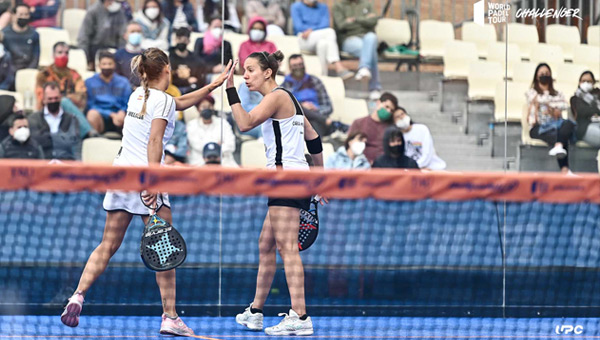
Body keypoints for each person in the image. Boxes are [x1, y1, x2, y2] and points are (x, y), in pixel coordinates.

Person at [59, 48, 233, 335]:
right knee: (163, 249)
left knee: (107, 245)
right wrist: (152, 182)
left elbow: (177, 103)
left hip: (121, 175)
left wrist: (212, 86)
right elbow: (155, 141)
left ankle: (77, 295)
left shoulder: (138, 95)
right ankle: (170, 317)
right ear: (166, 68)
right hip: (146, 179)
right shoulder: (161, 100)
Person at [226, 51, 325, 336]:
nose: (246, 75)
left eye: (251, 70)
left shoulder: (278, 97)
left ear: (267, 73)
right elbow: (314, 138)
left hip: (286, 179)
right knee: (266, 245)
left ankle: (301, 316)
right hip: (292, 179)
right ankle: (256, 312)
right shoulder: (289, 99)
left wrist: (230, 89)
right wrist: (320, 179)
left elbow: (244, 123)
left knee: (287, 249)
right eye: (243, 71)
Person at [281, 54, 348, 137]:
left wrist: (316, 109)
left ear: (304, 65)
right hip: (296, 121)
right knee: (297, 106)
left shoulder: (314, 81)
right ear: (290, 68)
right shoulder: (285, 86)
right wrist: (303, 107)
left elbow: (328, 107)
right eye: (295, 65)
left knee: (313, 124)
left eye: (300, 64)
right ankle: (329, 122)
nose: (298, 68)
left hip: (316, 120)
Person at [526, 63, 574, 173]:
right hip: (538, 127)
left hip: (555, 125)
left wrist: (549, 106)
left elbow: (564, 105)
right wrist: (554, 107)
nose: (544, 75)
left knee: (569, 124)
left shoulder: (558, 93)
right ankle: (565, 170)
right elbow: (538, 100)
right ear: (536, 77)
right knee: (562, 136)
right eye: (542, 73)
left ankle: (559, 147)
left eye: (547, 73)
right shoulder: (532, 92)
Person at [332, 0, 382, 100]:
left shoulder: (367, 4)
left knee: (371, 37)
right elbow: (341, 25)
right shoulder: (338, 6)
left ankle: (364, 68)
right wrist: (365, 20)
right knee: (370, 50)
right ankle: (374, 88)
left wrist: (355, 20)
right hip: (349, 39)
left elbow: (374, 21)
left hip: (366, 37)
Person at [291, 0, 353, 79]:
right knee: (330, 32)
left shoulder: (323, 7)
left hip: (319, 35)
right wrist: (310, 31)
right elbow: (298, 26)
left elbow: (325, 24)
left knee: (323, 44)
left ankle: (323, 76)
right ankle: (338, 65)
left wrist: (312, 30)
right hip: (303, 39)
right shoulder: (296, 6)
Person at [28, 82, 81, 160]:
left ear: (60, 98)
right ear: (44, 99)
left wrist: (47, 136)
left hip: (66, 162)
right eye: (50, 99)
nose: (53, 101)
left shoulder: (71, 119)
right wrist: (62, 137)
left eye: (56, 98)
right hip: (43, 162)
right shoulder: (34, 118)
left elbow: (73, 142)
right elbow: (36, 141)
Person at [85, 51, 132, 134]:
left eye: (110, 64)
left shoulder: (124, 82)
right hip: (100, 115)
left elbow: (128, 102)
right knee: (91, 114)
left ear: (114, 65)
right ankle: (95, 140)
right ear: (99, 65)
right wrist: (111, 114)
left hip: (120, 116)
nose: (107, 66)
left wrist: (122, 112)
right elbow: (91, 105)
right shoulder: (90, 82)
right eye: (104, 64)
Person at [187, 95, 237, 167]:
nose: (207, 109)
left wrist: (216, 149)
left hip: (224, 159)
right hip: (200, 161)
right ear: (198, 109)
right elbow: (196, 145)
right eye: (203, 107)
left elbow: (231, 145)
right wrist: (218, 145)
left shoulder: (223, 122)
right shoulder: (191, 125)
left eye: (210, 106)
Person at [347, 92, 397, 163]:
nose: (388, 111)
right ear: (378, 103)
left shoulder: (391, 128)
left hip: (384, 166)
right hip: (360, 164)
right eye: (387, 107)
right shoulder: (359, 123)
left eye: (391, 110)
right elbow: (349, 145)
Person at [77, 0, 127, 70]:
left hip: (113, 49)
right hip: (95, 49)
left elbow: (122, 37)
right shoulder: (93, 11)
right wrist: (86, 59)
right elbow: (84, 36)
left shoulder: (120, 12)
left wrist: (122, 55)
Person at [1, 3, 39, 71]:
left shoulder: (34, 34)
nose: (23, 17)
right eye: (21, 14)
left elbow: (35, 57)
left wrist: (28, 71)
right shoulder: (5, 33)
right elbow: (5, 57)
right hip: (9, 70)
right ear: (14, 15)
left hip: (27, 70)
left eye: (26, 14)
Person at [170, 27, 207, 94]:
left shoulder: (195, 59)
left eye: (184, 40)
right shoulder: (169, 57)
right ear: (175, 40)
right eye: (179, 39)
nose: (181, 42)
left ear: (189, 41)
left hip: (191, 90)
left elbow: (200, 79)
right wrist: (186, 81)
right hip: (174, 89)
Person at [570, 71, 600, 148]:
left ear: (593, 83)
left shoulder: (598, 95)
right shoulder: (575, 99)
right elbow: (581, 112)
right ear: (579, 83)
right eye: (583, 81)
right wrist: (596, 109)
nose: (586, 83)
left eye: (589, 81)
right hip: (585, 127)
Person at [115, 22, 144, 87]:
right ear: (125, 35)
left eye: (138, 32)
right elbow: (116, 78)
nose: (136, 34)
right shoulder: (118, 55)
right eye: (132, 32)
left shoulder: (147, 55)